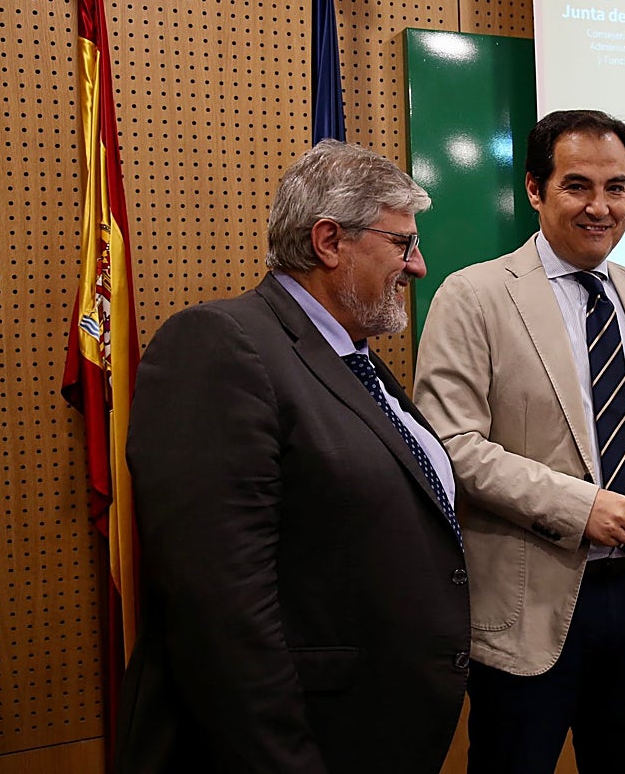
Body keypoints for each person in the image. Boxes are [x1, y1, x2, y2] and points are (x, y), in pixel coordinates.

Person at [116, 140, 470, 773]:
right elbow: (222, 612)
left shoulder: (353, 358)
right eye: (402, 243)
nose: (418, 265)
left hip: (373, 736)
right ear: (330, 241)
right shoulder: (221, 345)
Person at [413, 109, 625, 774]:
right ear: (535, 190)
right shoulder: (474, 295)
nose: (601, 207)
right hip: (526, 606)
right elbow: (451, 446)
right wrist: (581, 507)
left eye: (617, 187)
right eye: (577, 186)